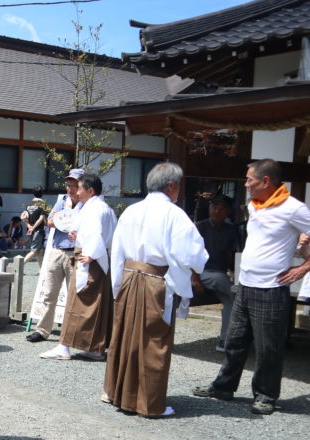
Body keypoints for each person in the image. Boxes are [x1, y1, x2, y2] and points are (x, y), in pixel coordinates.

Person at [193, 159, 310, 415]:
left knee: (268, 346)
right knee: (235, 341)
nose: (245, 184)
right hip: (245, 283)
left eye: (249, 180)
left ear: (265, 181)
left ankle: (266, 394)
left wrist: (303, 267)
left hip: (271, 286)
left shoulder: (293, 208)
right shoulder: (256, 206)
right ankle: (224, 386)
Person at [103, 163, 208, 418]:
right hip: (155, 282)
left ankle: (118, 393)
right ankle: (149, 403)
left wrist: (118, 285)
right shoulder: (174, 214)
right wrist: (195, 271)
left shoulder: (131, 210)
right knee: (154, 341)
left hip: (130, 278)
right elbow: (193, 254)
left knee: (125, 337)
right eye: (179, 185)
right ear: (171, 185)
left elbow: (117, 252)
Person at [40, 173, 117, 361]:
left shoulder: (95, 209)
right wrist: (79, 238)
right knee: (93, 305)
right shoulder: (101, 207)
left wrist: (90, 254)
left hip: (90, 259)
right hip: (95, 258)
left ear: (90, 191)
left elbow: (97, 236)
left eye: (80, 188)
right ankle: (95, 348)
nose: (76, 191)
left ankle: (64, 346)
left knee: (77, 302)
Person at [25, 168, 84, 343]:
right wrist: (61, 220)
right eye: (68, 185)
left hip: (76, 252)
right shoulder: (63, 201)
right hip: (57, 250)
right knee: (49, 292)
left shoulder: (87, 203)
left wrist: (62, 220)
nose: (70, 189)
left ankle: (73, 332)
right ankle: (42, 330)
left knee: (76, 294)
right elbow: (49, 221)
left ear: (82, 186)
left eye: (74, 185)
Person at [193, 196, 239, 352]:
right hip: (200, 272)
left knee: (231, 300)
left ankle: (225, 340)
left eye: (221, 208)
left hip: (218, 274)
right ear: (209, 209)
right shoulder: (199, 227)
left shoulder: (231, 230)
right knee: (232, 289)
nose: (217, 211)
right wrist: (196, 279)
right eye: (214, 207)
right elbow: (190, 256)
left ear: (227, 212)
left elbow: (232, 257)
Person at [23, 187, 47, 263]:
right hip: (38, 230)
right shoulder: (42, 204)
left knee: (39, 250)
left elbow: (24, 217)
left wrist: (29, 226)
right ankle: (20, 264)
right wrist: (34, 227)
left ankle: (41, 270)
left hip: (29, 230)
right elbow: (41, 218)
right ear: (42, 194)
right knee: (35, 250)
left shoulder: (28, 204)